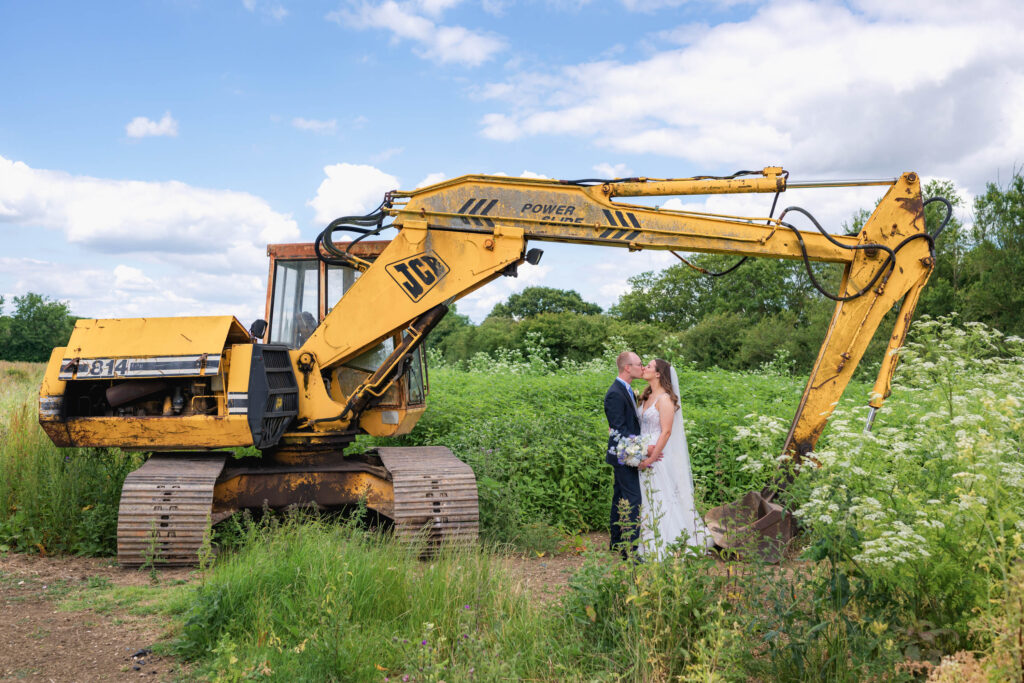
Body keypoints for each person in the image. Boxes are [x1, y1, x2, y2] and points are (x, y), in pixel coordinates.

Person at [636, 358, 713, 559]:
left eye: (649, 366)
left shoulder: (665, 400)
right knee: (645, 496)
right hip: (641, 452)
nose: (644, 368)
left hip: (658, 455)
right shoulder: (646, 396)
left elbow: (667, 432)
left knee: (661, 495)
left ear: (659, 373)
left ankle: (668, 542)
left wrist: (651, 458)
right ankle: (644, 538)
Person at [604, 350, 662, 559]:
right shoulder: (614, 393)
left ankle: (617, 542)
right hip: (623, 456)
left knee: (620, 497)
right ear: (628, 368)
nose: (642, 367)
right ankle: (631, 551)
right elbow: (619, 431)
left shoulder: (627, 390)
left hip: (626, 454)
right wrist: (644, 449)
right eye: (639, 364)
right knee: (633, 499)